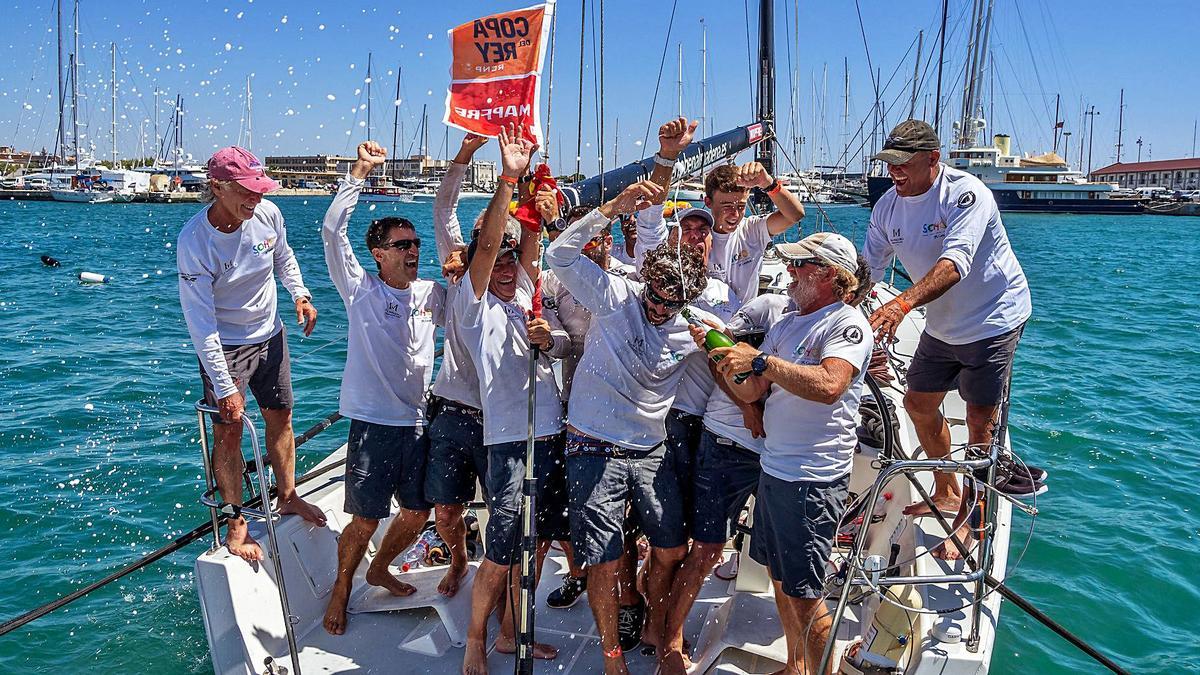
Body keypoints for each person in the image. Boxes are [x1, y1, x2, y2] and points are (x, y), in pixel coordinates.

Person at [546, 179, 715, 675]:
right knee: (600, 556)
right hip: (591, 444)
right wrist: (610, 210)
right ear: (647, 284)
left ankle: (653, 617)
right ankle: (610, 652)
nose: (660, 310)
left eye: (671, 304)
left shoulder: (695, 325)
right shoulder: (615, 295)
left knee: (671, 548)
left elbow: (741, 355)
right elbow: (559, 256)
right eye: (656, 298)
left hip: (651, 451)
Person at [863, 119, 1037, 560]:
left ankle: (973, 525)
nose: (895, 173)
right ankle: (947, 492)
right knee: (918, 405)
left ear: (932, 160)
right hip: (942, 324)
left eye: (903, 165)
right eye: (889, 164)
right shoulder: (887, 207)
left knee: (981, 423)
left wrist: (900, 306)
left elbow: (953, 265)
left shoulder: (966, 194)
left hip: (992, 319)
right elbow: (868, 271)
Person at [704, 232, 872, 675]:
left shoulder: (846, 323)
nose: (790, 273)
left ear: (829, 275)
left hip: (812, 480)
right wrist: (719, 351)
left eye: (800, 265)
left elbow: (830, 385)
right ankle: (797, 666)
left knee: (806, 593)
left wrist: (760, 362)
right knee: (780, 578)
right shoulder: (784, 325)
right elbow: (756, 388)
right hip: (775, 469)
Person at [318, 141, 446, 635]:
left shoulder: (430, 292)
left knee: (417, 514)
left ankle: (380, 568)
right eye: (403, 245)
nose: (414, 251)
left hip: (418, 422)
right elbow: (332, 232)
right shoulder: (361, 290)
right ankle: (342, 587)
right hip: (374, 425)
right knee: (365, 520)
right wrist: (359, 174)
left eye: (416, 244)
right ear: (379, 254)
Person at [177, 146, 326, 564]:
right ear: (217, 187)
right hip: (224, 345)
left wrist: (300, 293)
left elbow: (283, 256)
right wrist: (225, 387)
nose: (255, 199)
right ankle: (235, 520)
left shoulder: (268, 214)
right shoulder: (194, 241)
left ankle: (288, 495)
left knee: (281, 418)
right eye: (246, 191)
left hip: (271, 335)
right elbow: (200, 323)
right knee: (229, 431)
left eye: (259, 189)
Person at [459, 125, 570, 675]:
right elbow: (488, 244)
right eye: (498, 261)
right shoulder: (470, 300)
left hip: (550, 436)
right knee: (500, 556)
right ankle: (474, 641)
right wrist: (505, 176)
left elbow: (529, 235)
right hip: (508, 441)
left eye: (511, 259)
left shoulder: (526, 286)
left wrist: (530, 171)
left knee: (535, 547)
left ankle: (511, 632)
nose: (507, 266)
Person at [425, 132, 491, 598]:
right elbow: (443, 210)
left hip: (500, 415)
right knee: (445, 511)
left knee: (513, 511)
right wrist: (464, 156)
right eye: (485, 234)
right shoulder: (460, 270)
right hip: (451, 409)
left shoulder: (526, 277)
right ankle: (460, 556)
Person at [703, 157, 806, 302]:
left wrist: (768, 183)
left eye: (741, 206)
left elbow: (795, 215)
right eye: (727, 206)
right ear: (708, 202)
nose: (735, 214)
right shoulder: (695, 235)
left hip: (743, 320)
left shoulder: (752, 230)